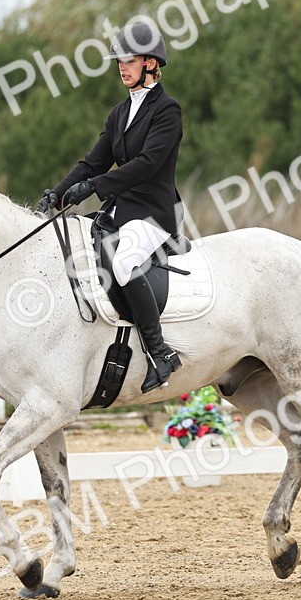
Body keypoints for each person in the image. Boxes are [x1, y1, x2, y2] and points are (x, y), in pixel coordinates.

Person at [38, 21, 184, 392]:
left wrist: (96, 186)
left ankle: (159, 352)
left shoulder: (168, 110)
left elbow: (148, 164)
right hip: (119, 210)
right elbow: (93, 162)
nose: (122, 67)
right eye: (119, 61)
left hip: (153, 212)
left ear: (151, 63)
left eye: (129, 60)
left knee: (123, 262)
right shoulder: (120, 112)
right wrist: (58, 193)